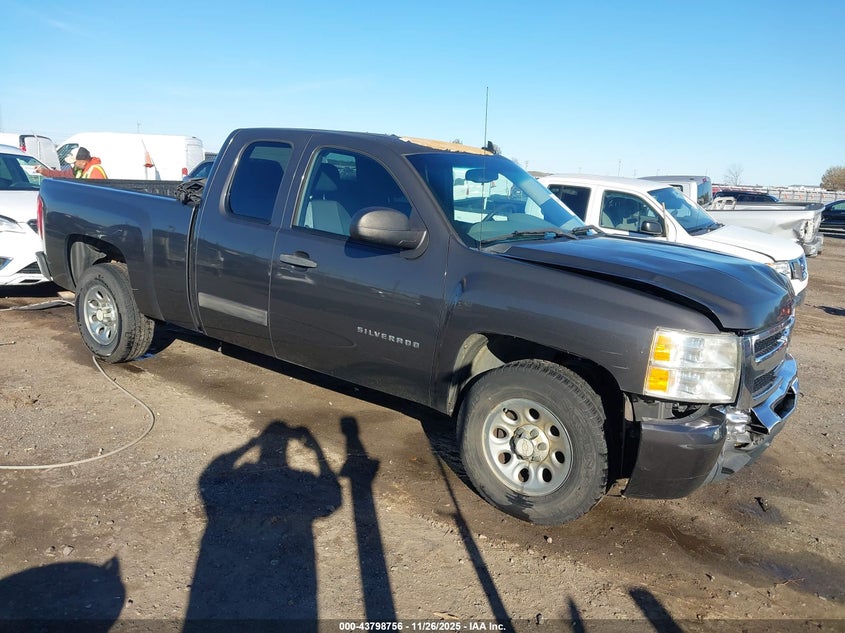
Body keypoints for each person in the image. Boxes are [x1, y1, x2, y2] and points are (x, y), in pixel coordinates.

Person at [35, 147, 108, 179]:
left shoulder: (95, 171)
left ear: (83, 162)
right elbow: (61, 175)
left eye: (75, 162)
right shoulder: (78, 170)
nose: (73, 164)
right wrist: (44, 171)